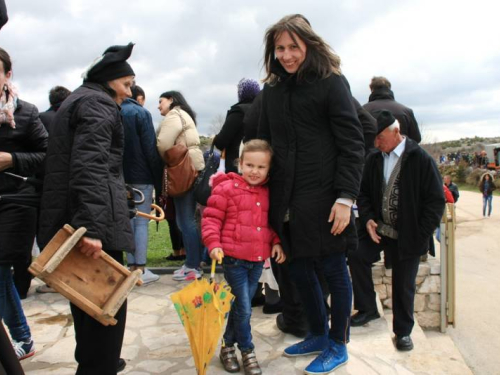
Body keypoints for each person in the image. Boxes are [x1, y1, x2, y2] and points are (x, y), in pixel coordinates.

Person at [258, 15, 365, 374]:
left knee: (334, 270)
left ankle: (338, 343)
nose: (287, 55)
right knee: (299, 271)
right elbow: (263, 141)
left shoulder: (331, 83)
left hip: (325, 197)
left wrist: (346, 197)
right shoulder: (272, 91)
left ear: (309, 46)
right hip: (286, 199)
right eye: (280, 49)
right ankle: (318, 333)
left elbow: (352, 143)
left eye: (294, 47)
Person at [38, 43, 136, 374]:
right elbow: (90, 166)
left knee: (87, 309)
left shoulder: (80, 99)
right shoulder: (97, 104)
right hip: (93, 228)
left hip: (80, 218)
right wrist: (91, 228)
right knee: (106, 311)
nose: (129, 92)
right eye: (126, 84)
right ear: (109, 80)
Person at [350, 110, 444, 351]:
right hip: (378, 229)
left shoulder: (421, 159)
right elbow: (363, 194)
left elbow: (435, 201)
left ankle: (403, 332)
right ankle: (368, 308)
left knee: (403, 284)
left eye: (380, 137)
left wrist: (420, 232)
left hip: (409, 235)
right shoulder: (374, 159)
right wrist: (369, 219)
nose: (376, 142)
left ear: (395, 132)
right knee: (357, 255)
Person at [202, 139, 286, 375]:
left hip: (258, 260)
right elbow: (211, 219)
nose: (254, 171)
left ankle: (227, 347)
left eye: (261, 167)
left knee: (241, 306)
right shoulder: (226, 188)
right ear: (240, 164)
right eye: (249, 165)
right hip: (233, 260)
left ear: (269, 169)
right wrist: (214, 244)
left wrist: (276, 242)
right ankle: (247, 350)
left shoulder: (268, 193)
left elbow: (268, 224)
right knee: (245, 309)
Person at [0, 47, 47, 360]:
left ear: (7, 75)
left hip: (16, 201)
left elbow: (48, 156)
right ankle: (21, 338)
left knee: (1, 267)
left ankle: (19, 338)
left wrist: (12, 159)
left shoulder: (27, 112)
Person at [157, 91, 205, 281]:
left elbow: (163, 144)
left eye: (161, 101)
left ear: (171, 100)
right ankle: (193, 263)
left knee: (185, 221)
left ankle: (193, 266)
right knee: (187, 220)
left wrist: (166, 160)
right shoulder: (185, 115)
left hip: (183, 170)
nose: (159, 106)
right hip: (193, 167)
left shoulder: (174, 115)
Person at [122, 84, 163, 284]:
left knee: (128, 222)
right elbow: (150, 148)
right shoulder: (141, 114)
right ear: (139, 98)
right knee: (141, 222)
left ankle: (130, 268)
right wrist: (158, 180)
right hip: (142, 176)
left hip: (120, 176)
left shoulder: (113, 110)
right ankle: (141, 268)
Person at [214, 78, 260, 173]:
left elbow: (221, 142)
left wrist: (215, 139)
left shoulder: (239, 111)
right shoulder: (262, 110)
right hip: (259, 168)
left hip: (237, 167)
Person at [363, 76, 421, 143]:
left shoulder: (364, 111)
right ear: (389, 88)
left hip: (369, 152)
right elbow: (416, 139)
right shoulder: (406, 111)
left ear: (372, 89)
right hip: (402, 152)